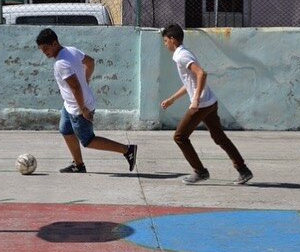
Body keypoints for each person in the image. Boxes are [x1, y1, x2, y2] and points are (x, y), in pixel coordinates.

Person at [160, 24, 253, 185]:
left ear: (173, 40)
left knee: (180, 137)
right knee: (219, 137)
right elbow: (191, 81)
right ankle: (243, 170)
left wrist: (195, 100)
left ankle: (200, 172)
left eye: (166, 40)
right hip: (210, 102)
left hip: (202, 104)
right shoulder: (183, 54)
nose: (165, 43)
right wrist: (172, 99)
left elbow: (201, 73)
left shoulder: (182, 56)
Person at [36, 28, 137, 173]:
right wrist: (86, 79)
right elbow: (90, 62)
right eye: (42, 50)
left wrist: (83, 108)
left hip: (79, 107)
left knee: (88, 140)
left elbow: (76, 88)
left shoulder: (61, 63)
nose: (44, 53)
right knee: (65, 130)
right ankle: (78, 165)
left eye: (46, 49)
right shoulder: (71, 51)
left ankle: (128, 150)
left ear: (54, 43)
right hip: (70, 105)